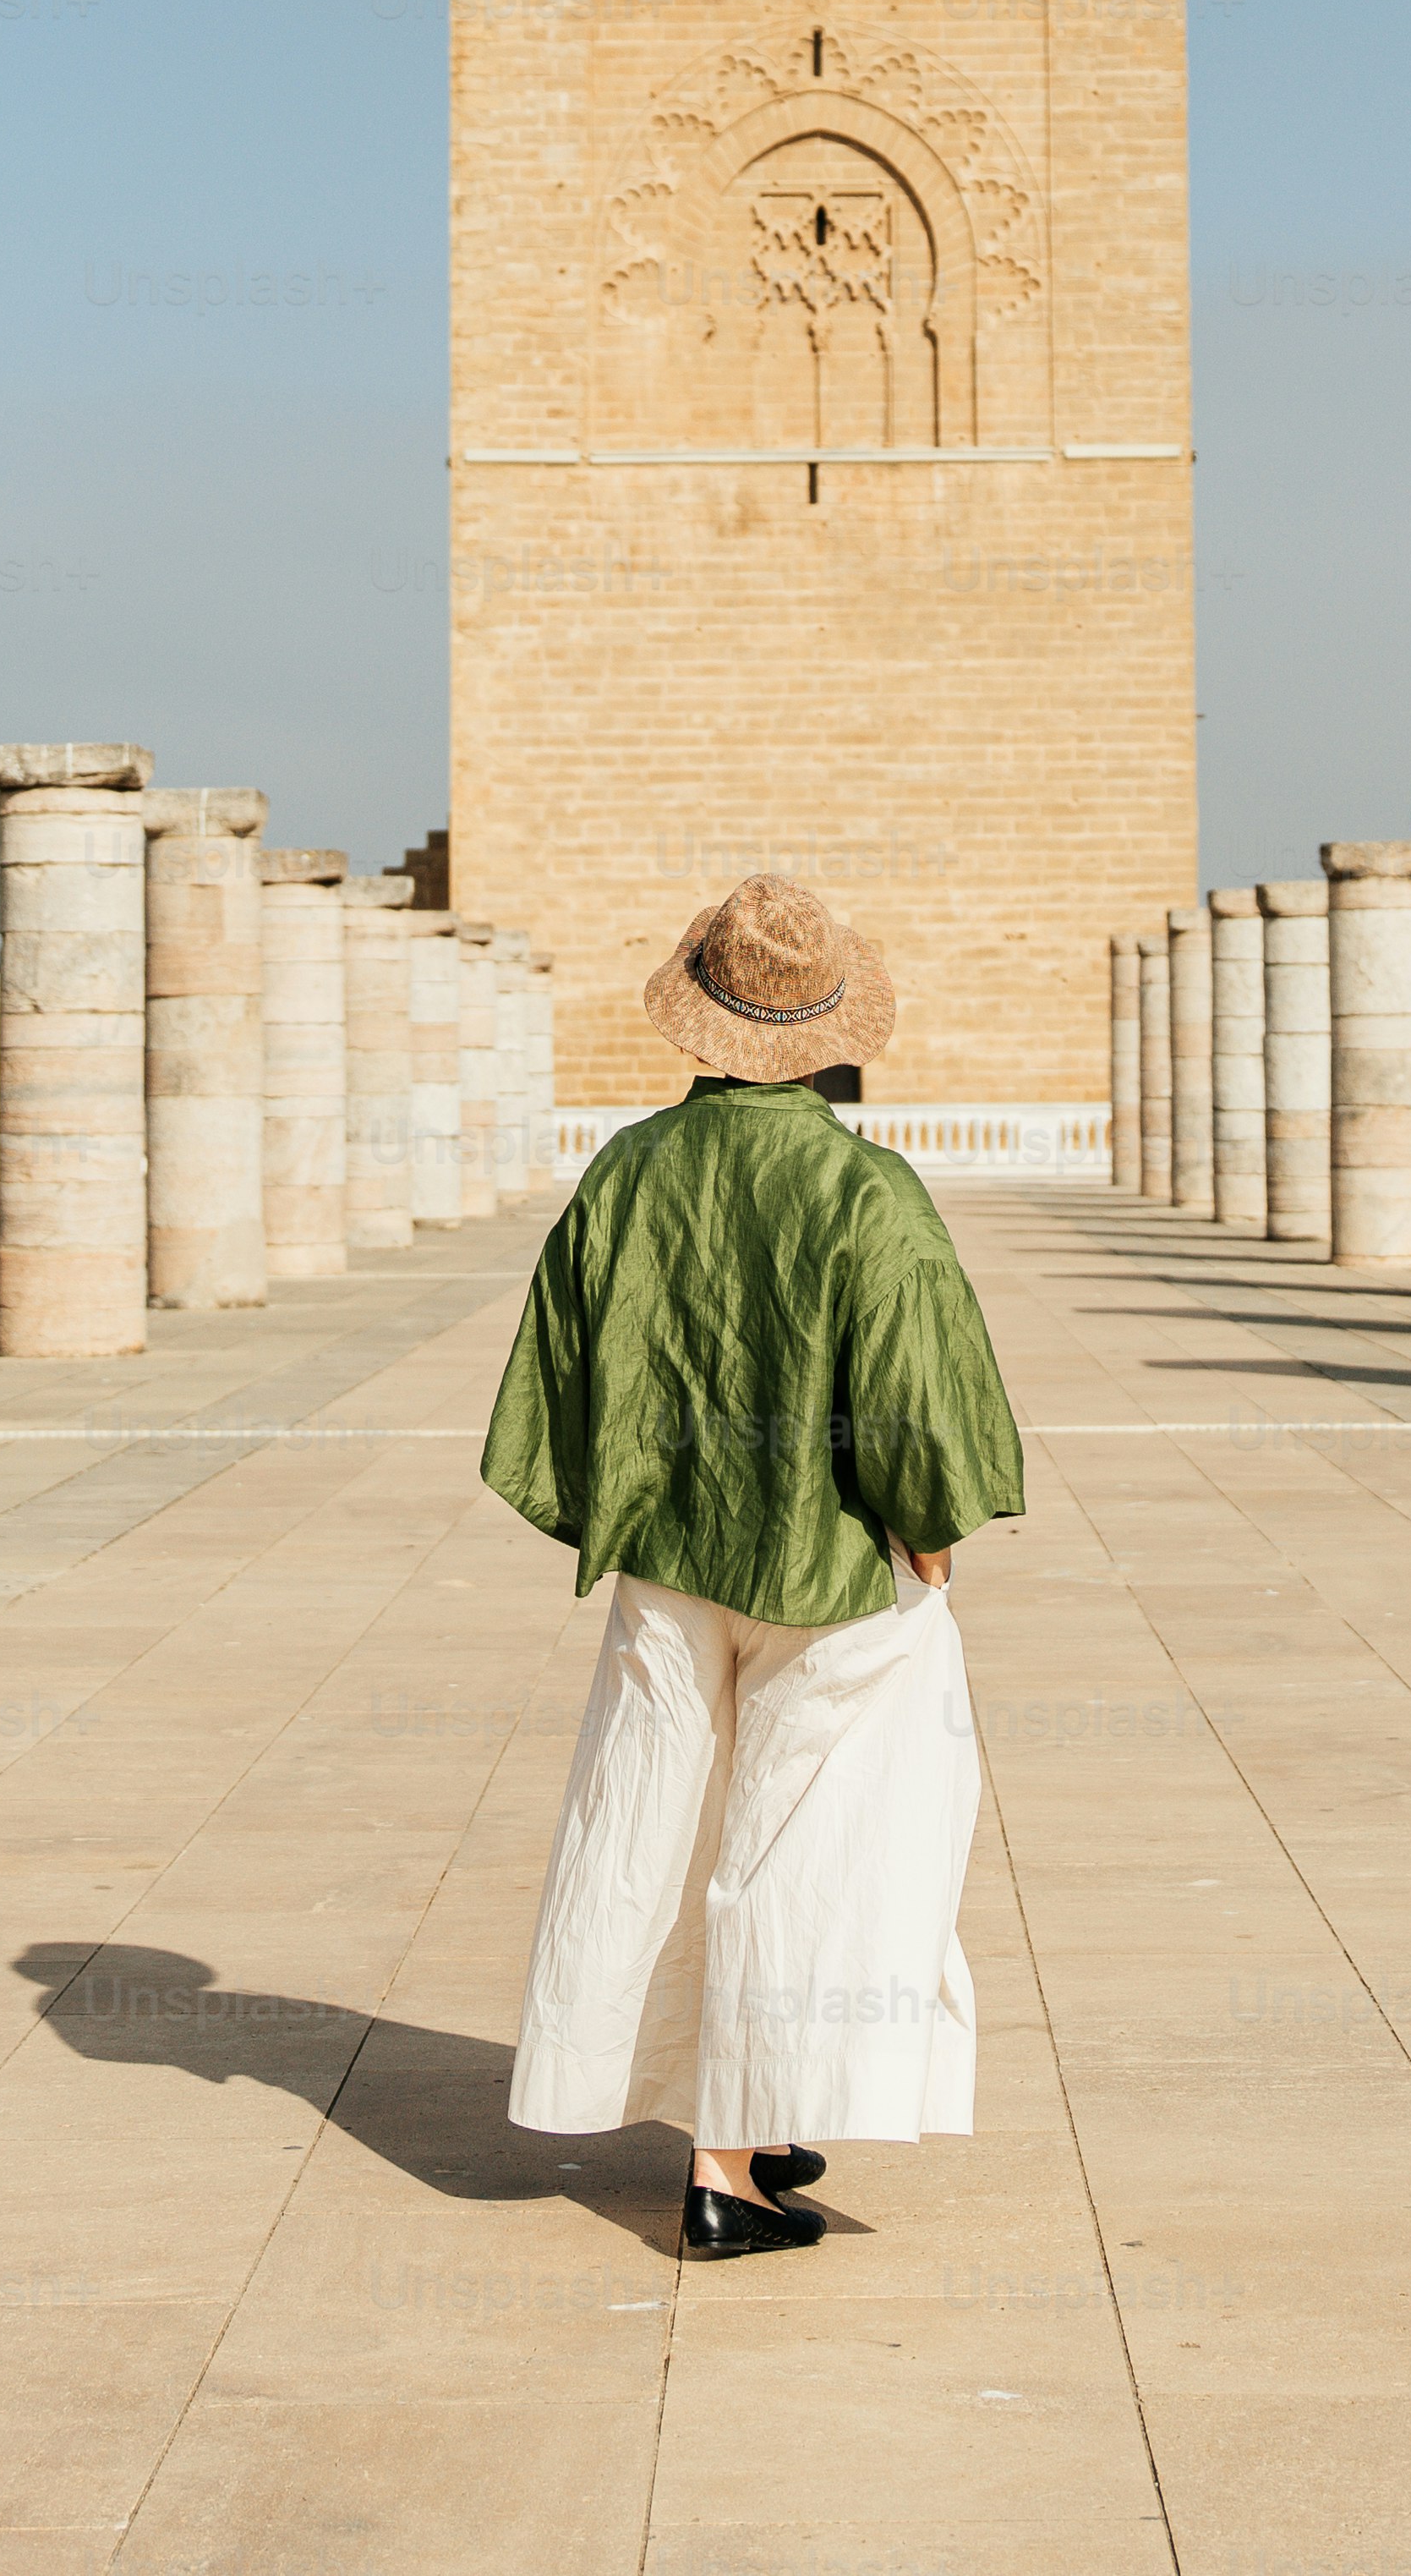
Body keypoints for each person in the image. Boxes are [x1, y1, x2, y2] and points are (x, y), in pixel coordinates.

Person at [483, 872, 1025, 2260]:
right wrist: (935, 1537)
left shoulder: (626, 1173)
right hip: (834, 1572)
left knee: (661, 1827)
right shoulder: (865, 1190)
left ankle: (733, 2105)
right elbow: (922, 1407)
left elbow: (556, 1385)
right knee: (816, 1851)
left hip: (670, 1563)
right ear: (828, 1027)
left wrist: (636, 1507)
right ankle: (726, 2168)